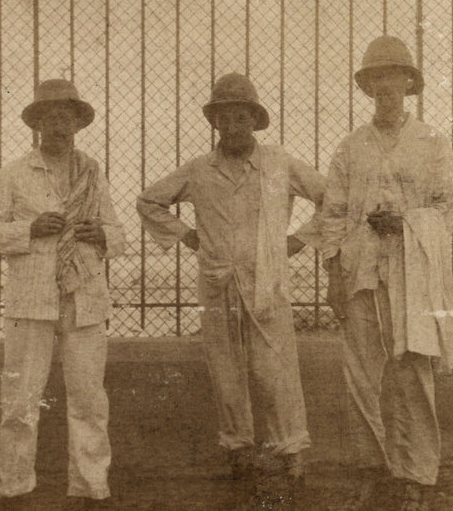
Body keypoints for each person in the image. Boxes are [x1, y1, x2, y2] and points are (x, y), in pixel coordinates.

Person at [136, 73, 326, 509]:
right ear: (216, 122)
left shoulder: (280, 163)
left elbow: (331, 198)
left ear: (256, 121)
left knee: (273, 368)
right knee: (226, 368)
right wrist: (186, 235)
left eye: (243, 116)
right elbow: (149, 201)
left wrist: (300, 239)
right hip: (218, 281)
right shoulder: (200, 170)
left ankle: (292, 454)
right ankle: (240, 451)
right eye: (226, 116)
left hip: (267, 282)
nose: (235, 125)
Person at [321, 35, 453, 511]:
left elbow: (446, 207)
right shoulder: (350, 147)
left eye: (393, 77)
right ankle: (375, 471)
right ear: (367, 86)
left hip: (411, 273)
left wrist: (406, 222)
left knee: (412, 369)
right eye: (376, 78)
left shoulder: (431, 144)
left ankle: (417, 474)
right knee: (362, 375)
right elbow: (333, 214)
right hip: (360, 271)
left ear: (408, 83)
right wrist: (334, 275)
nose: (385, 87)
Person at [0, 79, 125, 510]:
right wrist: (28, 230)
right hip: (32, 300)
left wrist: (101, 234)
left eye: (67, 116)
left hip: (84, 300)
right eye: (50, 116)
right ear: (36, 124)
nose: (59, 125)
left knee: (89, 399)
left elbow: (117, 233)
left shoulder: (91, 172)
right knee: (21, 399)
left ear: (79, 123)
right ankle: (16, 487)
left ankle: (90, 487)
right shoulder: (16, 173)